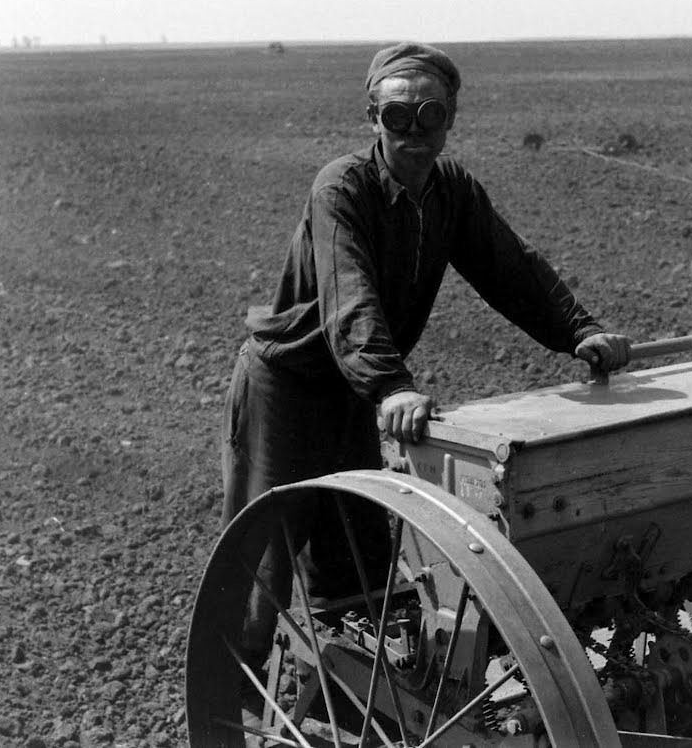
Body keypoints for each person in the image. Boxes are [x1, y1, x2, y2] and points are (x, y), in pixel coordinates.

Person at [221, 41, 631, 670]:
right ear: (372, 117)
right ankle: (233, 703)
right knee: (265, 558)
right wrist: (390, 387)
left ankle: (349, 701)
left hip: (354, 390)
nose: (413, 133)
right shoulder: (342, 186)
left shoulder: (451, 192)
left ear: (450, 119)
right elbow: (349, 298)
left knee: (355, 557)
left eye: (430, 116)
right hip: (290, 385)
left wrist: (578, 331)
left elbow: (510, 268)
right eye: (396, 117)